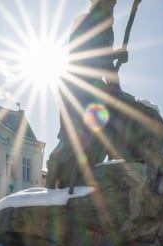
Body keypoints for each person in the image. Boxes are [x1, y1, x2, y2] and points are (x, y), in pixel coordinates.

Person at [46, 0, 129, 189]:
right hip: (75, 84)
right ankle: (54, 176)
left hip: (92, 86)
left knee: (103, 129)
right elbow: (84, 54)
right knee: (72, 136)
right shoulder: (84, 21)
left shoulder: (108, 29)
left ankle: (94, 174)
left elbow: (106, 65)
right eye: (108, 3)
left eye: (113, 3)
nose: (111, 6)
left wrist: (116, 87)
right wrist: (115, 56)